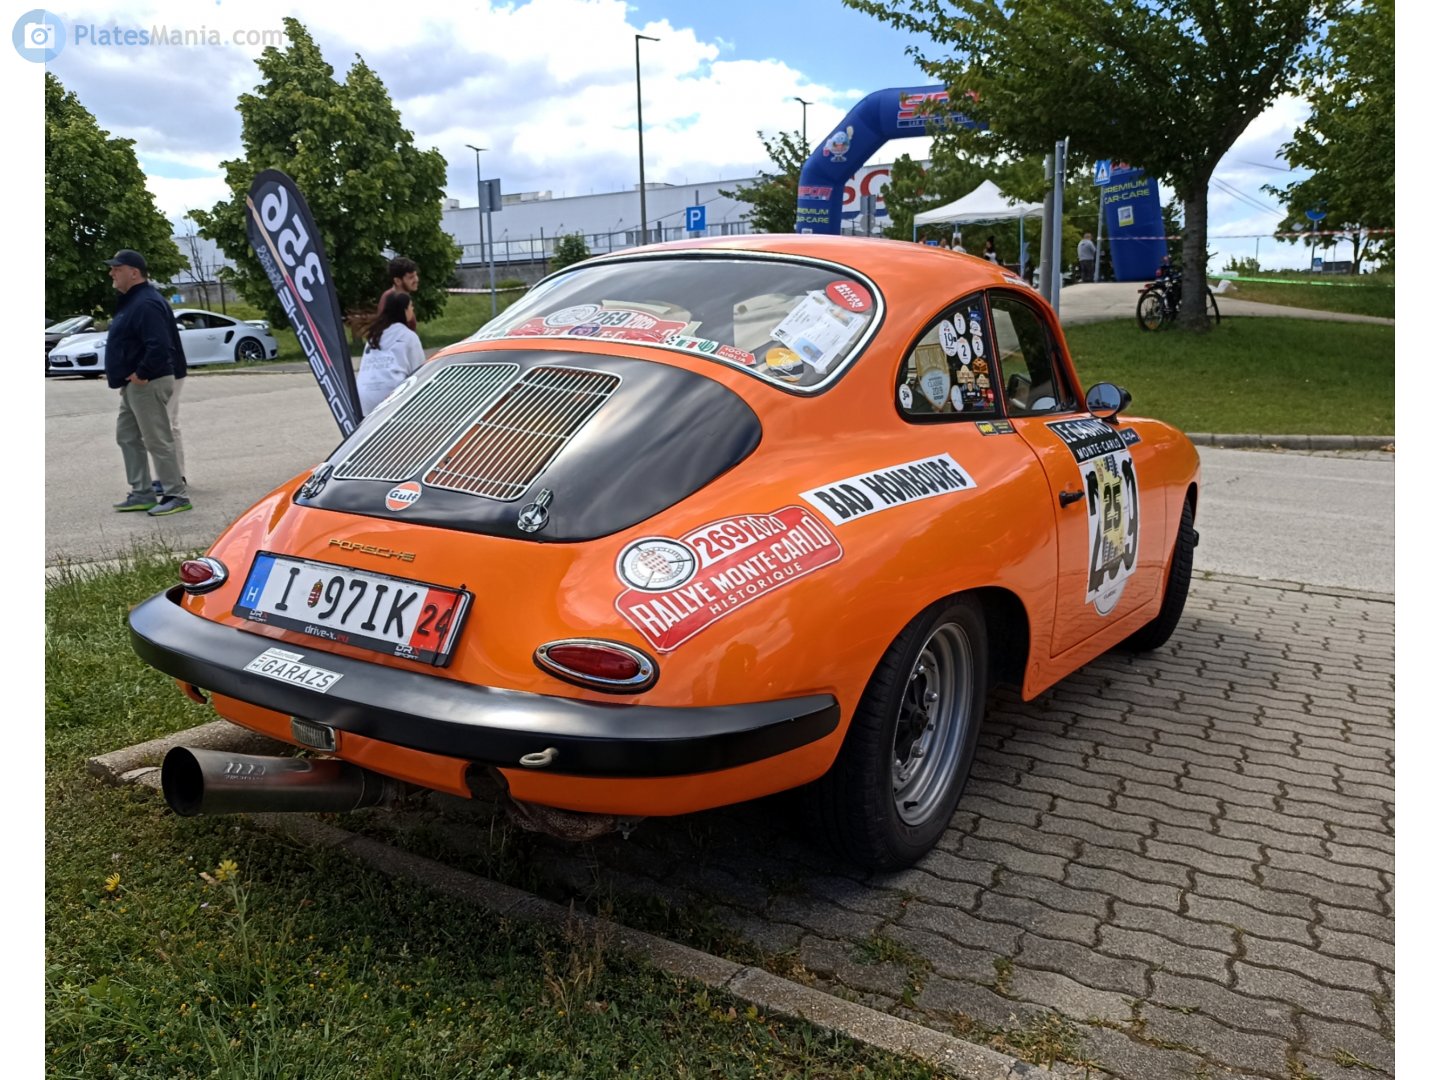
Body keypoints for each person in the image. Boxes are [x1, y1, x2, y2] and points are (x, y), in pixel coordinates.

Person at [103, 249, 190, 516]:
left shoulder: (146, 303)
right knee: (127, 436)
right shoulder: (131, 301)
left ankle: (176, 494)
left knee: (157, 439)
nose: (112, 273)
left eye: (117, 269)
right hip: (132, 385)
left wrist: (141, 373)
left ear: (134, 272)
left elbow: (159, 345)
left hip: (148, 382)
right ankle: (142, 492)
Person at [357, 291, 427, 415]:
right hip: (391, 397)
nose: (412, 309)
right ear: (404, 310)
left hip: (364, 399)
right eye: (411, 306)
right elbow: (420, 373)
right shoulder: (409, 337)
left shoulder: (373, 336)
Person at [377, 256, 419, 331]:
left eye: (416, 275)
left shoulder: (404, 298)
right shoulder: (389, 300)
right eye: (411, 277)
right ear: (397, 281)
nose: (416, 279)